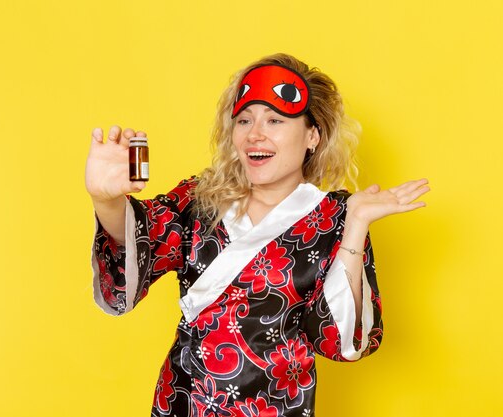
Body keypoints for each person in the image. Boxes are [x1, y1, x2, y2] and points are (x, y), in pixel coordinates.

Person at [85, 53, 429, 416]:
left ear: (312, 135)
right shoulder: (200, 199)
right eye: (244, 120)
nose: (254, 134)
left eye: (275, 120)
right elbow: (138, 244)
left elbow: (342, 343)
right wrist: (105, 199)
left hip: (277, 407)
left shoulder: (336, 217)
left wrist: (356, 226)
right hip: (185, 401)